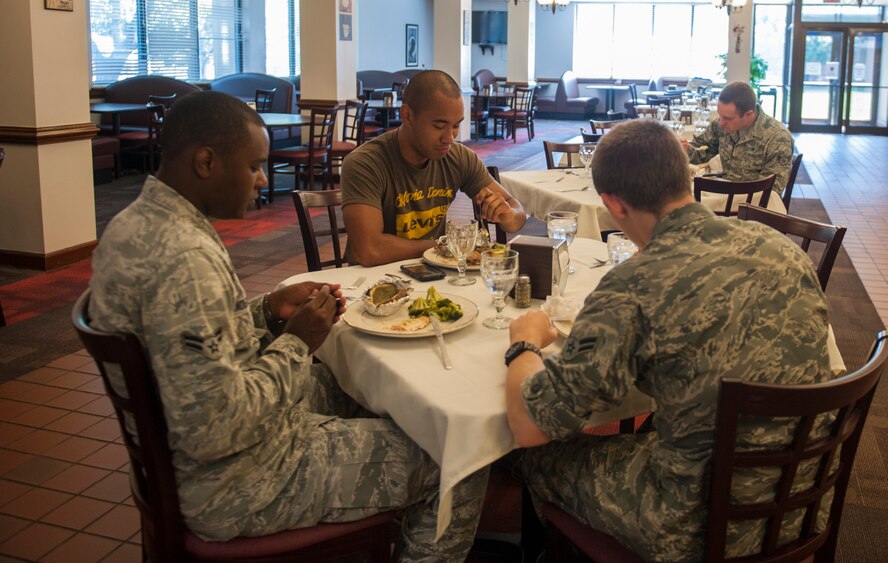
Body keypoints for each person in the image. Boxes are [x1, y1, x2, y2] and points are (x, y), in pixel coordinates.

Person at [88, 91, 487, 561]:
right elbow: (217, 428)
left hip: (191, 447)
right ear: (205, 162)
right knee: (456, 461)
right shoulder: (185, 259)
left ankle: (382, 520)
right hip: (236, 479)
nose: (262, 179)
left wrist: (268, 308)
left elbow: (192, 343)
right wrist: (298, 341)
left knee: (367, 388)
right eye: (254, 166)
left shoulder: (138, 224)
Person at [504, 119, 832, 560]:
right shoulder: (783, 250)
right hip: (803, 496)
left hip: (699, 525)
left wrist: (524, 343)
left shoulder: (631, 287)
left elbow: (531, 426)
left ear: (612, 205)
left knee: (534, 455)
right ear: (687, 177)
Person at [341, 69, 526, 266]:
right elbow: (369, 251)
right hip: (372, 279)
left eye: (456, 126)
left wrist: (507, 214)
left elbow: (517, 215)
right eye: (439, 126)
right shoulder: (366, 163)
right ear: (407, 115)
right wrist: (445, 245)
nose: (449, 138)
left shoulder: (458, 157)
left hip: (433, 273)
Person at [681, 81, 794, 194]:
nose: (721, 122)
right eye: (720, 115)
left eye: (727, 118)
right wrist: (684, 150)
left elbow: (770, 192)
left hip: (752, 201)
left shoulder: (778, 138)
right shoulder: (720, 126)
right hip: (725, 192)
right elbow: (702, 151)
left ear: (749, 114)